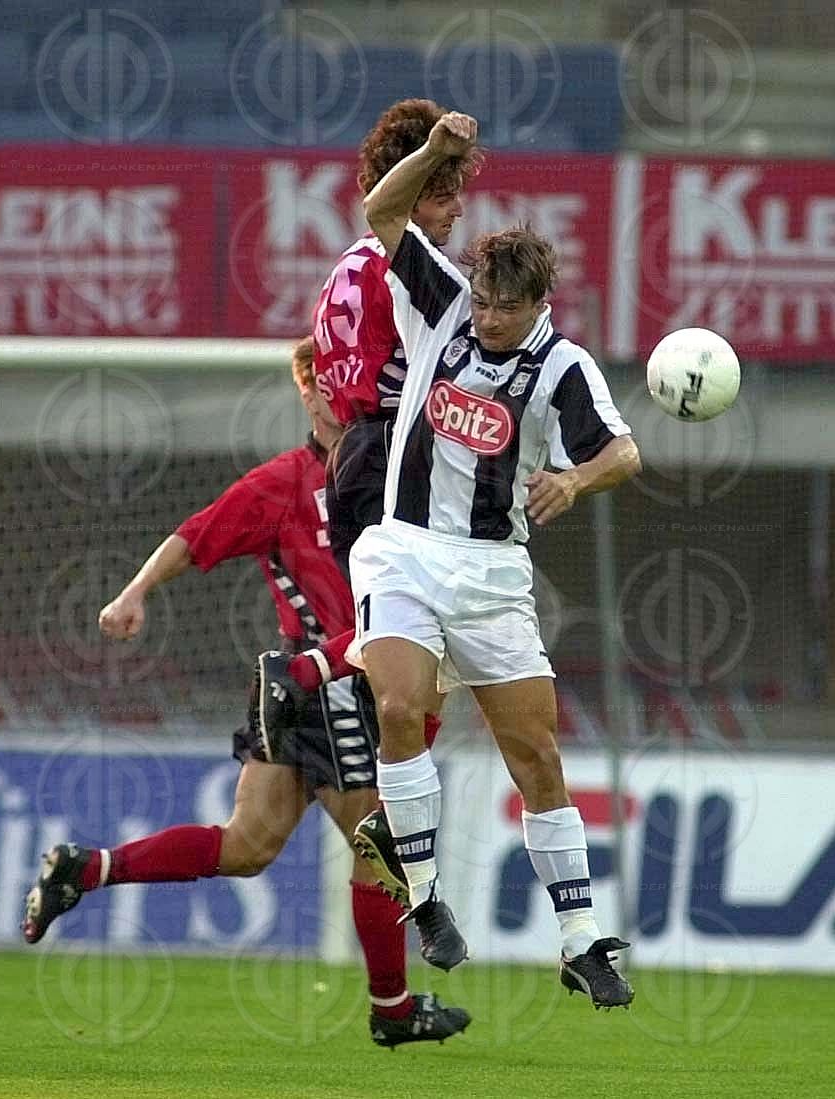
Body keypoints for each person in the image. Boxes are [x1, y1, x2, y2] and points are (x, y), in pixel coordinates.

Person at [21, 339, 471, 1048]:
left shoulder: (393, 471)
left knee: (246, 845)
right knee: (379, 846)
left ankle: (86, 868)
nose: (342, 391)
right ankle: (392, 1009)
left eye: (349, 377)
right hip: (323, 683)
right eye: (327, 381)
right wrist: (135, 591)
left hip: (318, 683)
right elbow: (195, 535)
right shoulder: (283, 483)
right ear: (308, 393)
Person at [350, 111, 642, 1009]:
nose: (484, 316)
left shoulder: (564, 367)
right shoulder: (441, 303)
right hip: (404, 549)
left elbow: (624, 452)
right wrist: (435, 154)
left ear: (538, 305)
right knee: (399, 705)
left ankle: (580, 941)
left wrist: (575, 478)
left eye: (502, 308)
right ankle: (426, 897)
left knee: (536, 754)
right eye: (479, 300)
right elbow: (380, 212)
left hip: (493, 575)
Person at [252, 98, 482, 925]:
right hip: (395, 458)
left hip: (353, 454)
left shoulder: (345, 267)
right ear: (412, 186)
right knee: (446, 631)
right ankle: (310, 678)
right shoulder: (403, 262)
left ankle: (316, 685)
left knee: (410, 644)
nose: (457, 209)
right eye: (445, 191)